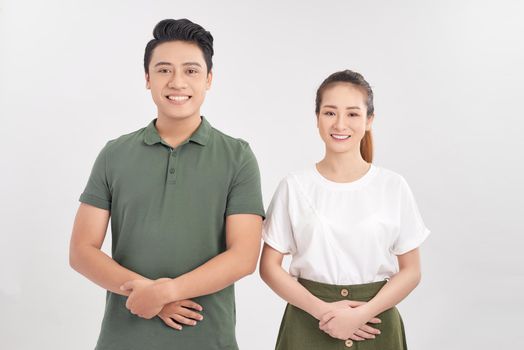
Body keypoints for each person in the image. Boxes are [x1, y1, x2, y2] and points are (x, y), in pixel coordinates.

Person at [69, 18, 265, 350]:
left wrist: (164, 293)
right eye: (163, 70)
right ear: (147, 78)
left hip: (208, 338)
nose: (177, 82)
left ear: (209, 80)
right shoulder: (114, 154)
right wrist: (145, 292)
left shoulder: (237, 156)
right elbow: (81, 250)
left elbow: (244, 256)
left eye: (191, 71)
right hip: (124, 339)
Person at [260, 70, 430, 349]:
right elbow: (268, 267)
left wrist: (362, 314)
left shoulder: (393, 186)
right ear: (317, 119)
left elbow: (411, 271)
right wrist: (324, 312)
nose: (340, 124)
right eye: (329, 113)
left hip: (375, 325)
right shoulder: (295, 186)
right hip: (306, 321)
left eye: (352, 114)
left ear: (369, 120)